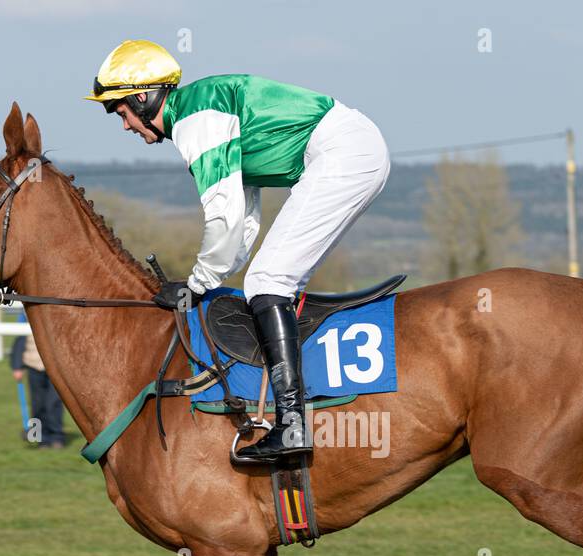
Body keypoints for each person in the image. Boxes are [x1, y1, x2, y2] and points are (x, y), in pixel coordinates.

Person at [86, 40, 390, 462]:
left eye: (120, 113)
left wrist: (195, 285)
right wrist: (214, 277)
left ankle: (291, 424)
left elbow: (223, 217)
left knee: (268, 282)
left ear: (142, 97)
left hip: (344, 153)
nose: (124, 127)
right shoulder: (201, 113)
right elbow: (244, 220)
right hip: (351, 150)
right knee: (269, 281)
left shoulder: (196, 117)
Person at [10, 314, 66, 449]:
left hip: (55, 368)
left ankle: (57, 436)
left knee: (54, 403)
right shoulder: (24, 316)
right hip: (33, 366)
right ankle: (42, 438)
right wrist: (17, 366)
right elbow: (19, 342)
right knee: (37, 404)